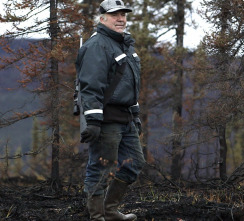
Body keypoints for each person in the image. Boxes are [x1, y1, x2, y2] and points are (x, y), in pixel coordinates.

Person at [75, 0, 145, 220]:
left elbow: (129, 85)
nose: (121, 19)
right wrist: (93, 121)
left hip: (125, 118)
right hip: (106, 120)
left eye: (123, 14)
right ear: (102, 18)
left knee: (134, 164)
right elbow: (91, 87)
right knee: (101, 169)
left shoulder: (124, 45)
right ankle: (97, 217)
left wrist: (135, 114)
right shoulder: (97, 46)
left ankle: (110, 211)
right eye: (115, 15)